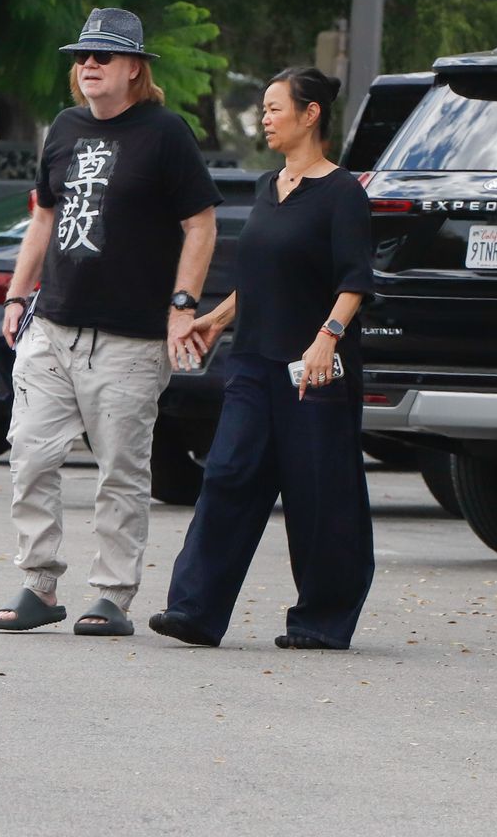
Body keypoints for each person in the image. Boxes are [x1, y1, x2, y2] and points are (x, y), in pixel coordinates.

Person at [0, 7, 221, 636]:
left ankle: (113, 596)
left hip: (129, 341)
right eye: (82, 57)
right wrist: (16, 297)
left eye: (103, 57)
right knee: (30, 455)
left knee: (120, 470)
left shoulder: (165, 134)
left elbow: (200, 224)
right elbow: (43, 217)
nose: (89, 65)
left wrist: (183, 305)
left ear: (134, 68)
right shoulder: (63, 129)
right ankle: (39, 584)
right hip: (53, 327)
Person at [149, 66, 374, 650]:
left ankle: (321, 620)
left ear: (310, 114)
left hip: (314, 368)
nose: (265, 117)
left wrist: (327, 337)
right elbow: (263, 276)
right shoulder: (269, 188)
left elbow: (353, 280)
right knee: (227, 476)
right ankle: (194, 611)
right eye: (264, 108)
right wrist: (216, 319)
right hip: (252, 361)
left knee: (318, 493)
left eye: (275, 107)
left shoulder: (342, 192)